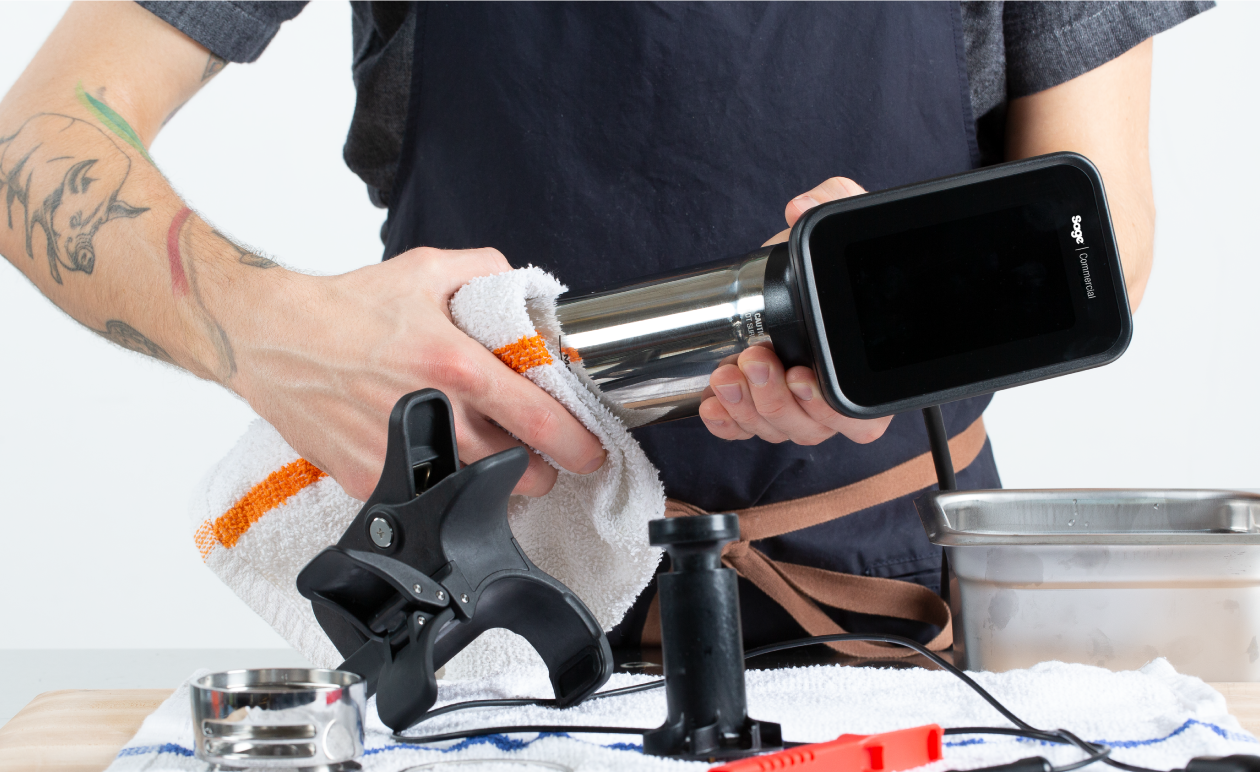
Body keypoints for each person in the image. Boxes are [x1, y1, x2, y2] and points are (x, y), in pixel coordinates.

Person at [0, 0, 1211, 652]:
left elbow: (1105, 231)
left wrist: (920, 305)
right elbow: (36, 139)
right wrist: (272, 331)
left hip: (889, 626)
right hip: (486, 633)